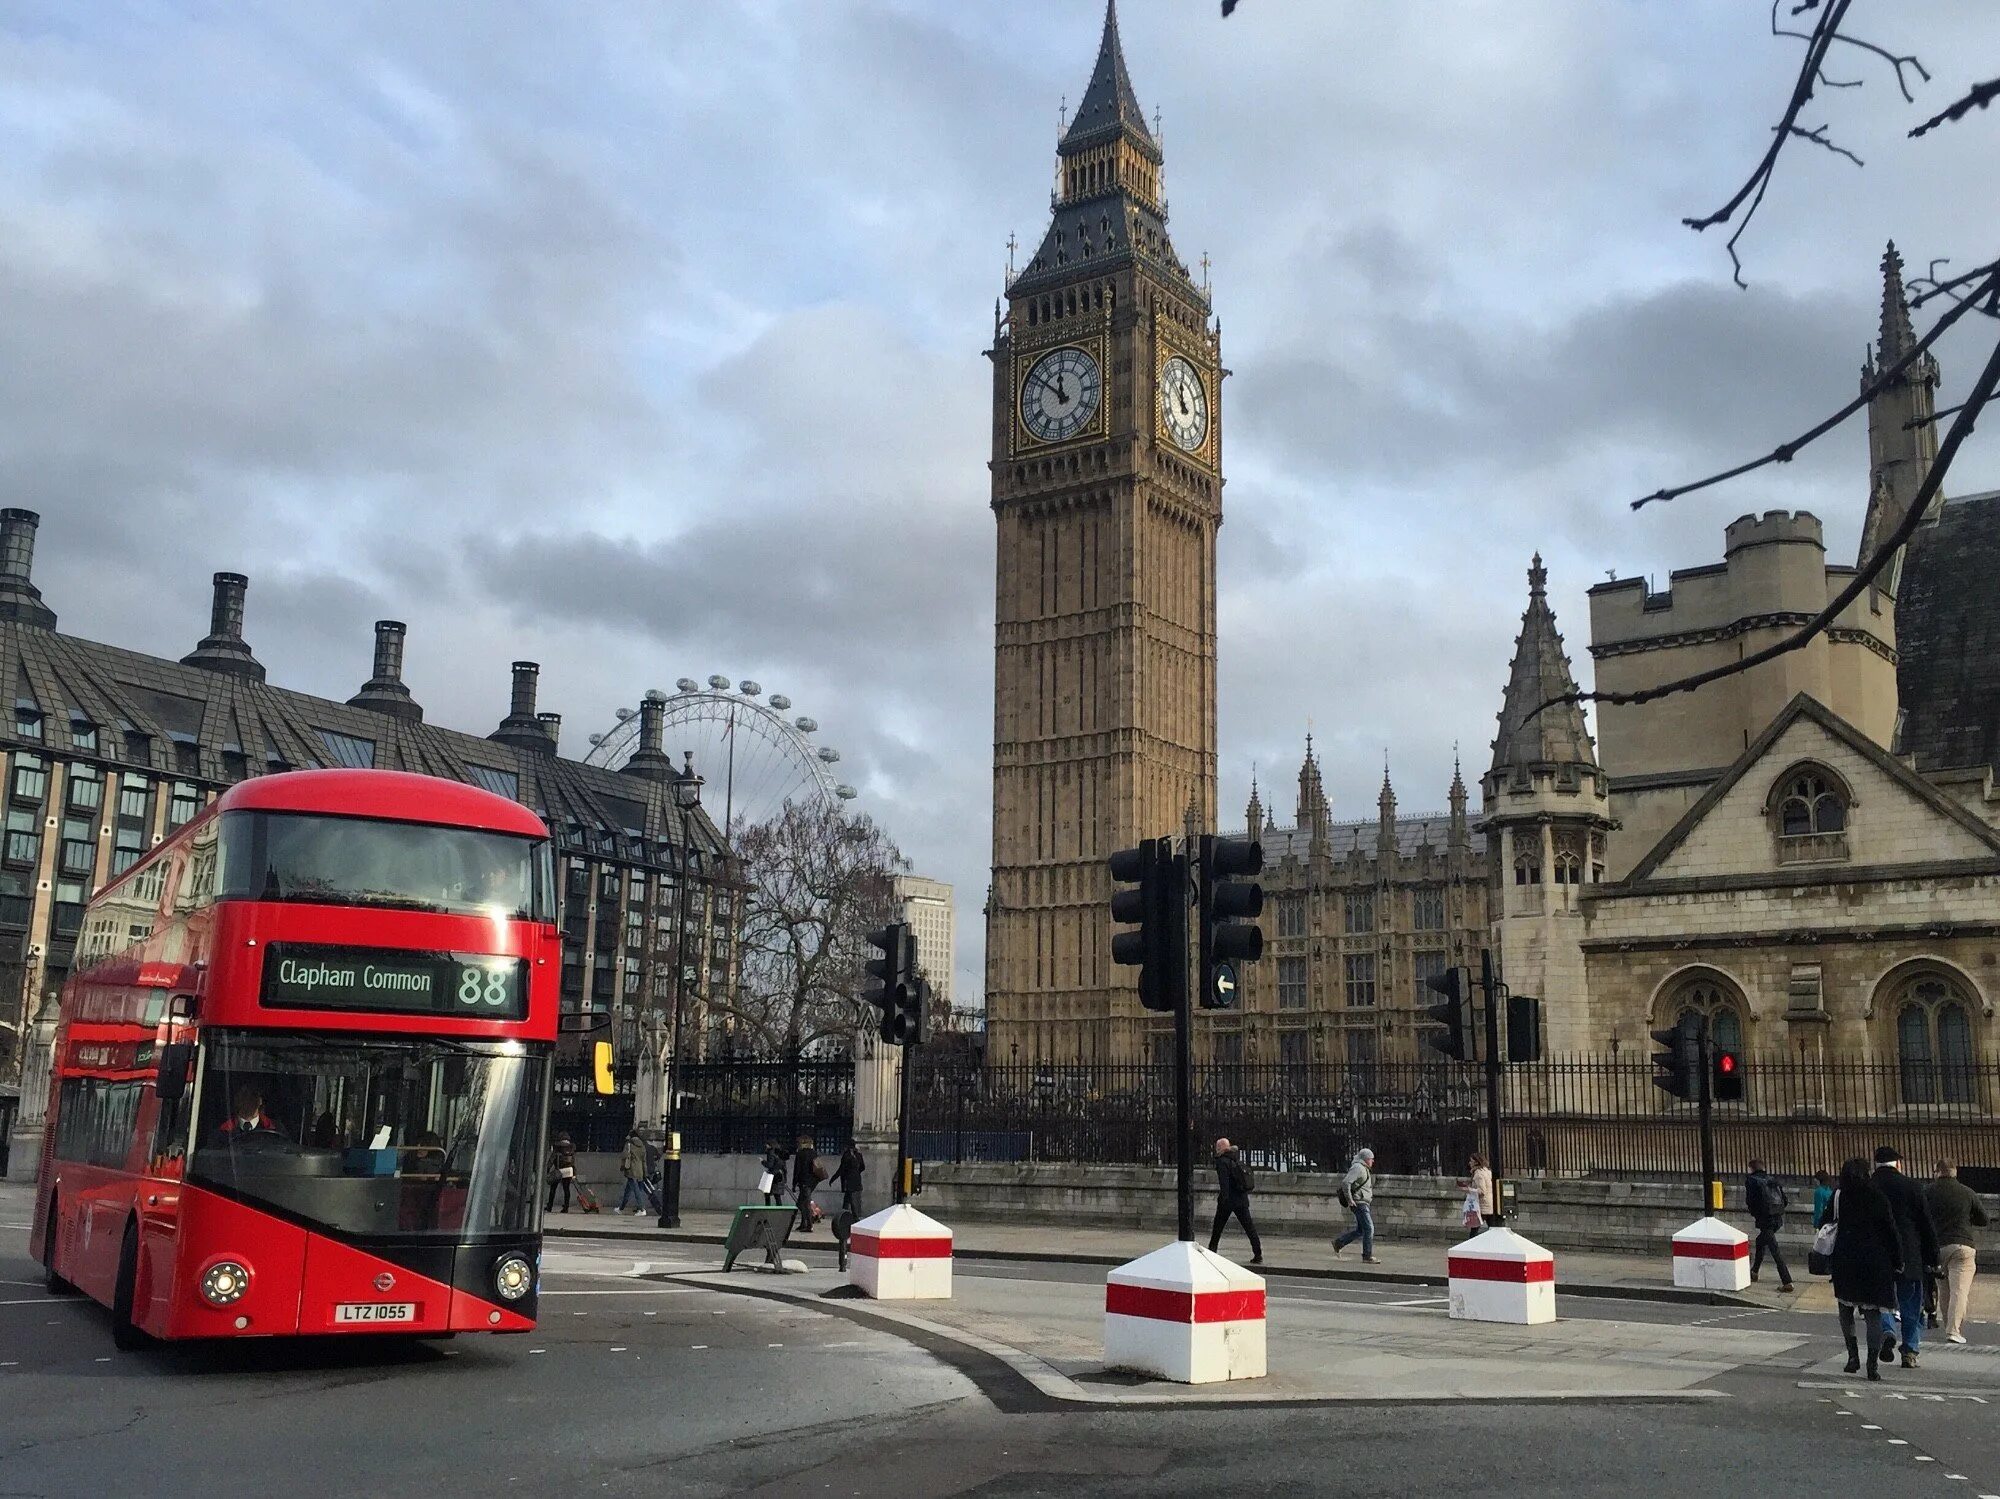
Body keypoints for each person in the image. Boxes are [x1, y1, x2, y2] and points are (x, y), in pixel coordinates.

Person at [1829, 1156, 1903, 1380]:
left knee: (1845, 1309)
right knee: (1872, 1314)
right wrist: (1897, 1260)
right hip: (1875, 1260)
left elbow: (1825, 1222)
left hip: (1845, 1259)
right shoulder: (1877, 1197)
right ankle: (1872, 1365)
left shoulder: (1839, 1196)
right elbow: (1891, 1230)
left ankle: (1853, 1357)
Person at [1874, 1145, 1941, 1368]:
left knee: (1881, 1300)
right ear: (1898, 1164)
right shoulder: (1912, 1186)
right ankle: (1910, 1351)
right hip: (1910, 1255)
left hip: (1879, 1254)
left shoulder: (1868, 1186)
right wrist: (1933, 1257)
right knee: (1911, 1304)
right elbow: (1926, 1224)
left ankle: (1887, 1329)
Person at [1924, 1158, 1989, 1346]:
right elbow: (1983, 1219)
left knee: (1944, 1289)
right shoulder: (1967, 1192)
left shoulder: (1927, 1192)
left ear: (1937, 1172)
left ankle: (1948, 1327)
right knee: (1959, 1290)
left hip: (1937, 1247)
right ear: (1955, 1172)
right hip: (1962, 1245)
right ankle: (1953, 1330)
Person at [1207, 1138, 1263, 1264]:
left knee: (1217, 1228)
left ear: (1221, 1148)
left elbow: (1224, 1183)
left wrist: (1223, 1200)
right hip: (1241, 1199)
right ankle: (1258, 1253)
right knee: (1249, 1227)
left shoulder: (1222, 1162)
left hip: (1228, 1200)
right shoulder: (1236, 1159)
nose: (1216, 1149)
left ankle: (1211, 1251)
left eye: (1217, 1147)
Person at [1744, 1159, 1796, 1292]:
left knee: (1775, 1250)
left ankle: (1787, 1281)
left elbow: (1751, 1201)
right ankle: (1754, 1271)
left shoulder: (1752, 1180)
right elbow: (1784, 1200)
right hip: (1777, 1218)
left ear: (1751, 1168)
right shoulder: (1772, 1179)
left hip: (1764, 1219)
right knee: (1760, 1241)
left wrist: (1756, 1214)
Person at [1333, 1147, 1377, 1262]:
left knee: (1361, 1230)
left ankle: (1339, 1242)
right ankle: (1367, 1256)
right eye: (1371, 1159)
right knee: (1369, 1228)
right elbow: (1346, 1182)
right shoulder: (1358, 1167)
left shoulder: (1363, 1168)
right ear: (1366, 1159)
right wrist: (1350, 1200)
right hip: (1360, 1203)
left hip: (1362, 1202)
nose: (1373, 1161)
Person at [214, 1084, 283, 1144]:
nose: (249, 1101)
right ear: (237, 1100)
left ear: (260, 1101)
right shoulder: (222, 1131)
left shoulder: (276, 1128)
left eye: (253, 1096)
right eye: (244, 1096)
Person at [617, 1129, 656, 1215]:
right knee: (630, 1190)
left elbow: (624, 1155)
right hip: (640, 1171)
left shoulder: (629, 1144)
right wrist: (645, 1173)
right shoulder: (642, 1146)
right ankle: (621, 1208)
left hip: (631, 1171)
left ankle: (642, 1209)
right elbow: (644, 1161)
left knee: (636, 1191)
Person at [1458, 1153, 1495, 1238]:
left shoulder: (1478, 1174)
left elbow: (1482, 1191)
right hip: (1489, 1204)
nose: (1469, 1163)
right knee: (1492, 1228)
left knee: (1474, 1229)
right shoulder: (1487, 1171)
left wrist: (1468, 1190)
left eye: (1471, 1161)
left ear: (1476, 1162)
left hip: (1482, 1206)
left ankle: (1471, 1246)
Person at [792, 1134, 821, 1233]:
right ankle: (804, 1223)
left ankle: (809, 1224)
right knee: (801, 1203)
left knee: (805, 1204)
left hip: (804, 1182)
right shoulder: (814, 1153)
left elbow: (797, 1170)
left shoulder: (800, 1154)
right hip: (812, 1182)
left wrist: (794, 1183)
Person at [545, 1132, 577, 1214]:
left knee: (553, 1189)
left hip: (558, 1170)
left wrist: (547, 1170)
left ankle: (549, 1206)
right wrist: (574, 1174)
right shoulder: (571, 1149)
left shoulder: (558, 1148)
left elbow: (551, 1160)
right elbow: (573, 1163)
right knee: (566, 1189)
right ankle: (566, 1207)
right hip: (569, 1170)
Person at [832, 1142, 866, 1219]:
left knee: (851, 1200)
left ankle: (853, 1217)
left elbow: (841, 1170)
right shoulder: (858, 1155)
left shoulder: (847, 1156)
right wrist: (856, 1172)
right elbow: (863, 1167)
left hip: (849, 1181)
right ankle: (845, 1215)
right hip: (857, 1180)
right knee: (848, 1200)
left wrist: (833, 1178)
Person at [760, 1141, 792, 1206]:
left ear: (770, 1145)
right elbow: (784, 1167)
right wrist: (785, 1178)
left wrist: (762, 1161)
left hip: (772, 1176)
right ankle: (779, 1210)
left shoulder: (771, 1153)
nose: (765, 1146)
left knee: (767, 1194)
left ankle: (767, 1209)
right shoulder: (780, 1153)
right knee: (777, 1196)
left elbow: (770, 1165)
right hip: (779, 1176)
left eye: (767, 1145)